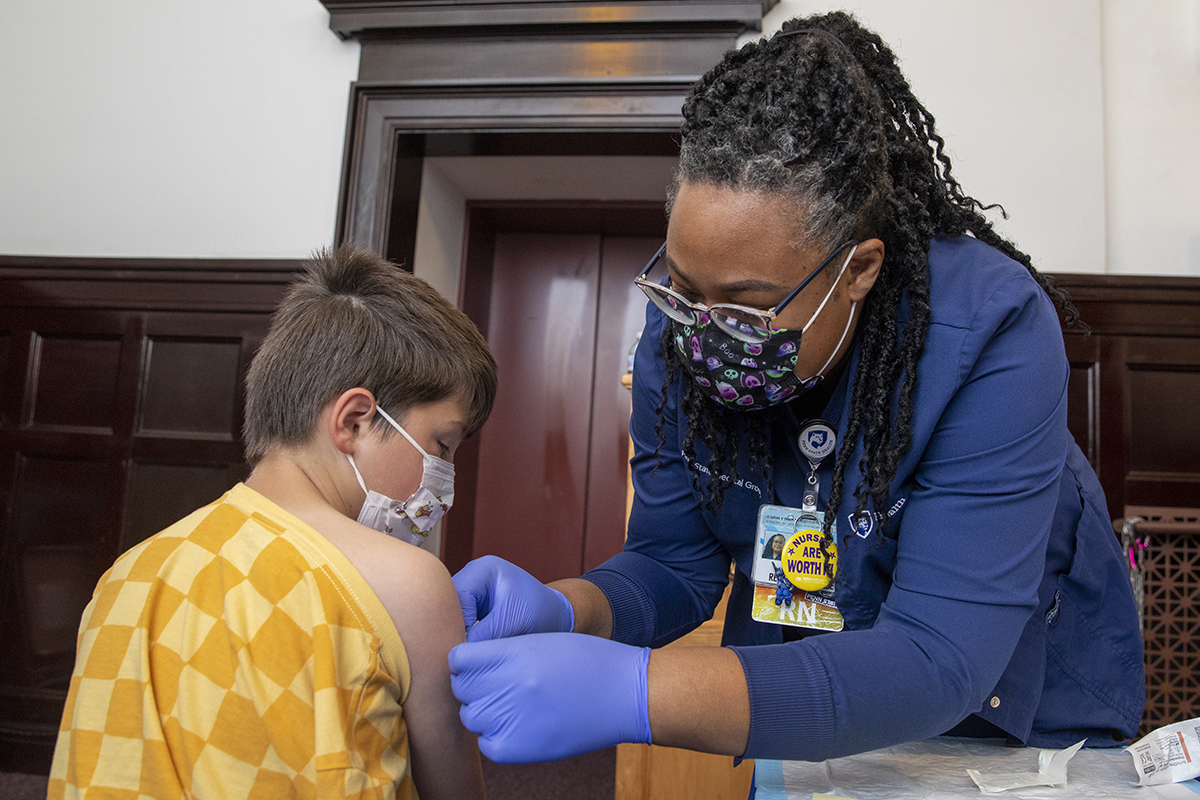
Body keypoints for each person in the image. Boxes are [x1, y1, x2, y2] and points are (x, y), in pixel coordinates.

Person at [447, 10, 1145, 769]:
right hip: (806, 695)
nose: (703, 332)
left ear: (858, 270)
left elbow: (938, 658)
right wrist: (567, 608)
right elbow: (673, 567)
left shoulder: (989, 331)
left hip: (1013, 717)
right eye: (682, 289)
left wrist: (639, 692)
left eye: (746, 306)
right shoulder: (677, 337)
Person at [48, 245, 495, 799]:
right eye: (442, 445)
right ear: (354, 421)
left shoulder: (129, 574)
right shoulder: (411, 582)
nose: (445, 474)